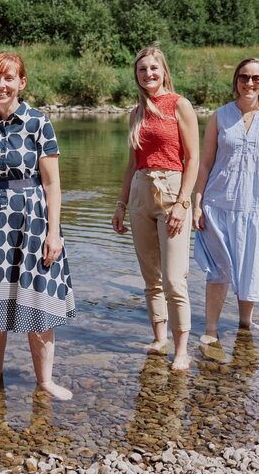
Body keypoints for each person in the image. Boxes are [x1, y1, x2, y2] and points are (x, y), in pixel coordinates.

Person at [0, 52, 75, 400]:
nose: (1, 85)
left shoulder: (39, 123)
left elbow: (52, 184)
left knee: (38, 305)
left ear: (22, 82)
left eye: (8, 78)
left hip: (34, 222)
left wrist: (54, 233)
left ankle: (45, 381)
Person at [112, 46, 200, 371]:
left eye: (153, 68)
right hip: (140, 192)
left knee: (175, 278)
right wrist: (120, 204)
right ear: (136, 75)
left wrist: (183, 203)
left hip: (173, 191)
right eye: (142, 70)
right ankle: (159, 338)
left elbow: (193, 159)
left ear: (163, 70)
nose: (148, 74)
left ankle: (181, 349)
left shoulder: (180, 105)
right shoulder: (135, 113)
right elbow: (131, 163)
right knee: (151, 276)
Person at [192, 58, 259, 342]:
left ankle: (245, 323)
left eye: (256, 78)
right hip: (218, 205)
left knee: (251, 266)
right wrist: (197, 203)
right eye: (244, 77)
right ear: (236, 80)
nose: (249, 83)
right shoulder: (220, 116)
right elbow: (205, 164)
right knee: (219, 268)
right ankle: (210, 327)